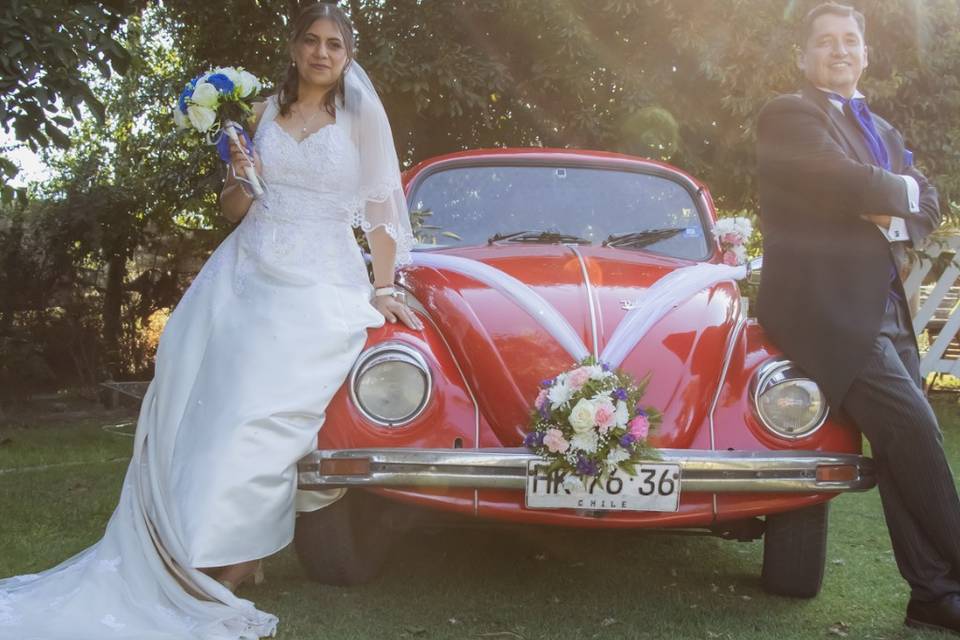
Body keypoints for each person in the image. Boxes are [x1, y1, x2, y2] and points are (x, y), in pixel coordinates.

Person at [0, 4, 420, 638]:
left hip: (323, 282)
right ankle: (190, 546)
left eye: (335, 44)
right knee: (211, 410)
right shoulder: (258, 113)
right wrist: (244, 179)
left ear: (348, 55)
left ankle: (237, 557)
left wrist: (384, 287)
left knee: (269, 417)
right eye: (311, 40)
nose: (322, 53)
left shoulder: (361, 121)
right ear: (294, 46)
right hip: (246, 274)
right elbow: (231, 209)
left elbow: (382, 211)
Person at [756, 2, 960, 634]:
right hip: (827, 309)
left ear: (866, 54)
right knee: (916, 430)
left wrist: (884, 199)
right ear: (803, 56)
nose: (839, 50)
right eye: (825, 42)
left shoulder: (886, 131)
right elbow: (834, 178)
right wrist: (886, 192)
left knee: (901, 446)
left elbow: (930, 202)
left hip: (887, 305)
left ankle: (931, 596)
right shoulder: (790, 115)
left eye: (850, 41)